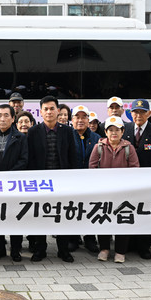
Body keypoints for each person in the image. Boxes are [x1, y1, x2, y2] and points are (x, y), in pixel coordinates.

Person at [27, 95, 77, 262]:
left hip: (62, 182)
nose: (49, 112)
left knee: (62, 215)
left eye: (52, 109)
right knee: (40, 216)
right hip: (40, 183)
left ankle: (63, 250)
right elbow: (30, 159)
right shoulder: (33, 132)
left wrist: (73, 180)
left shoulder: (67, 131)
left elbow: (72, 156)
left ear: (58, 111)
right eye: (46, 109)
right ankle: (40, 249)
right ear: (41, 112)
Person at [89, 116, 140, 263]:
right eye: (110, 130)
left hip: (123, 192)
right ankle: (104, 249)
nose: (114, 133)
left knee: (122, 219)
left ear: (122, 131)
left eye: (117, 130)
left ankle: (120, 251)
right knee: (103, 218)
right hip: (103, 191)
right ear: (105, 132)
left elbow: (135, 169)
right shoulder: (98, 147)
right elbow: (92, 168)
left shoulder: (129, 148)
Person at [0, 104, 28, 262]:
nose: (2, 119)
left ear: (13, 118)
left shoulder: (20, 138)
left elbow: (24, 160)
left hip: (14, 184)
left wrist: (9, 176)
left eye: (6, 115)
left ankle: (15, 250)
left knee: (15, 217)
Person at [123, 99, 151, 259]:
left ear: (148, 113)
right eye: (135, 112)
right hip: (126, 181)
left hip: (148, 181)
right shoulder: (124, 129)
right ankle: (128, 244)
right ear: (131, 113)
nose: (138, 115)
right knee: (127, 210)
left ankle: (143, 246)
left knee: (144, 212)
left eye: (142, 112)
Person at [70, 105, 101, 253]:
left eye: (84, 117)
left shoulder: (96, 138)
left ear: (88, 120)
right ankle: (73, 238)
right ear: (72, 120)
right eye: (77, 117)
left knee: (90, 209)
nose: (80, 120)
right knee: (73, 209)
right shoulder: (67, 136)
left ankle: (90, 238)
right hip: (71, 181)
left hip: (91, 181)